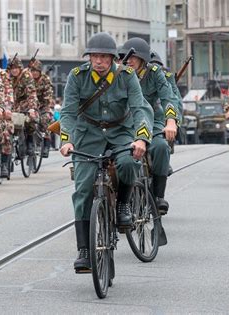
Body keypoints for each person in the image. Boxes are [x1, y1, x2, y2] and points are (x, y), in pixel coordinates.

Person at [59, 32, 154, 273]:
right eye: (94, 56)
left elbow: (140, 108)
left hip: (120, 132)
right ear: (89, 57)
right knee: (82, 189)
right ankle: (84, 251)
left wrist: (141, 138)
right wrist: (66, 140)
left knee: (129, 163)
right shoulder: (77, 76)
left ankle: (123, 205)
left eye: (103, 57)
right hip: (87, 135)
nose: (98, 61)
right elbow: (68, 112)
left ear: (113, 58)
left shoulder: (126, 76)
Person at [120, 37, 180, 215]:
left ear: (143, 59)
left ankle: (158, 196)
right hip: (123, 124)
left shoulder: (154, 72)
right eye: (125, 57)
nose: (129, 60)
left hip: (151, 121)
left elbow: (169, 97)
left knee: (161, 146)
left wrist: (171, 121)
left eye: (134, 57)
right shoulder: (118, 72)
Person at [8, 56, 39, 155]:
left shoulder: (26, 76)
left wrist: (32, 108)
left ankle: (30, 140)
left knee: (29, 119)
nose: (14, 70)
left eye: (16, 68)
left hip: (25, 102)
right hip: (12, 103)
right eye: (12, 68)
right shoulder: (7, 77)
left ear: (20, 68)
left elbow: (31, 93)